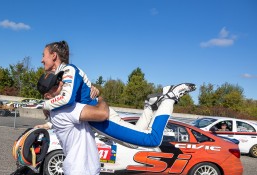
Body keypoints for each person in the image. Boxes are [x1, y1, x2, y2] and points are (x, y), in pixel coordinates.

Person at [39, 40, 196, 147]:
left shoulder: (69, 70)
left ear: (54, 56)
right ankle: (150, 105)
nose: (41, 60)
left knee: (152, 140)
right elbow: (69, 110)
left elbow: (66, 99)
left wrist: (44, 105)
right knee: (134, 143)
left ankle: (170, 96)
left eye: (43, 55)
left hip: (101, 118)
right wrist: (49, 120)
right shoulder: (62, 74)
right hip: (96, 118)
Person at [35, 75, 110, 175]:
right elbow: (103, 114)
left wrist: (91, 91)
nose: (61, 83)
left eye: (59, 80)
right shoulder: (67, 109)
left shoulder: (58, 109)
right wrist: (100, 97)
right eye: (56, 85)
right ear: (48, 96)